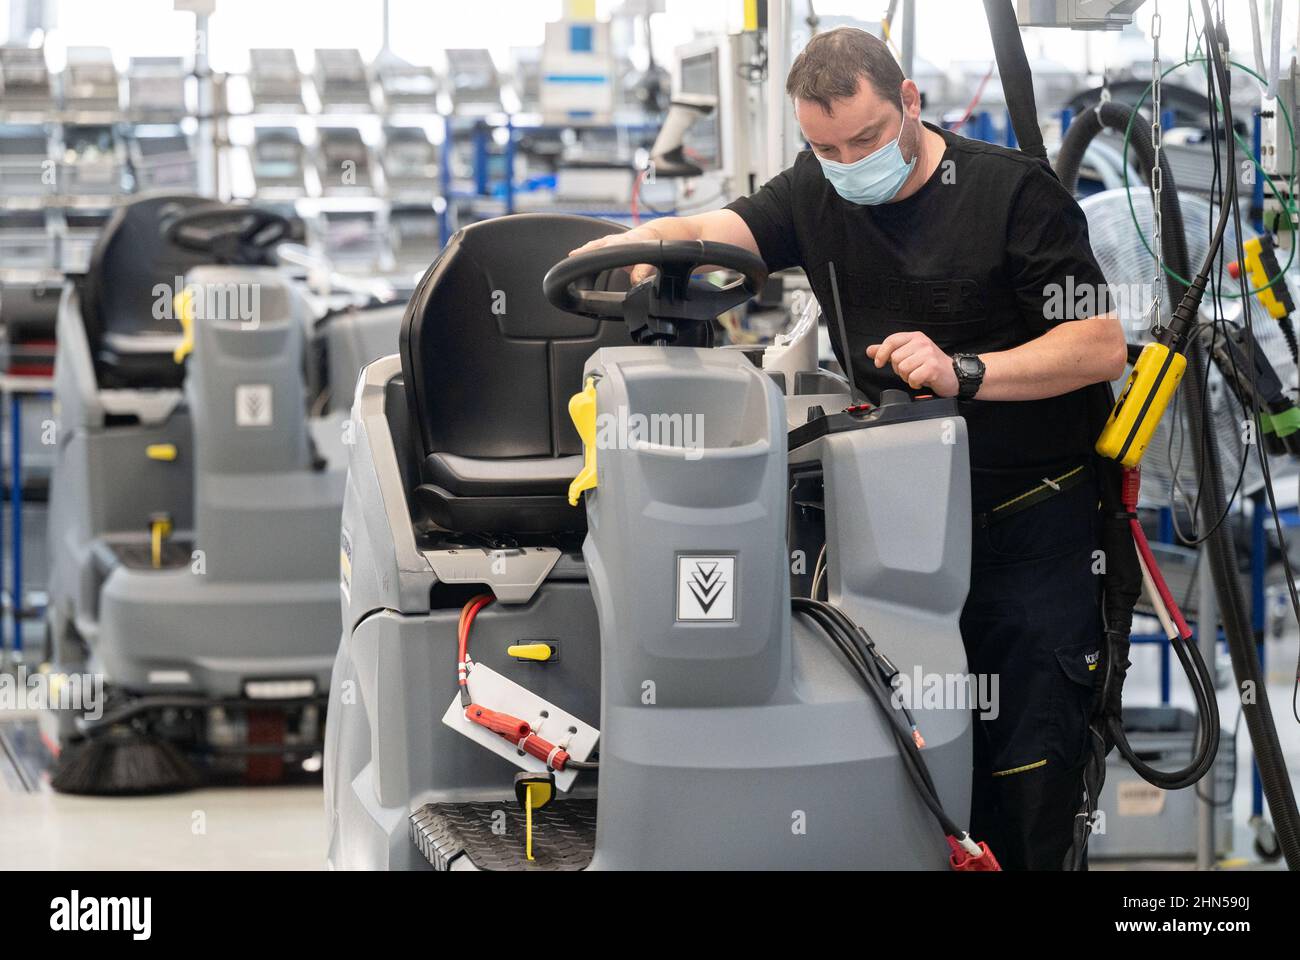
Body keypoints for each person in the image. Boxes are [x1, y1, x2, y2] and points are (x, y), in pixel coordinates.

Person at [571, 26, 1127, 869]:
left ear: (909, 102)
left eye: (865, 139)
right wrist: (642, 246)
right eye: (824, 146)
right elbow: (728, 230)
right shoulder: (816, 188)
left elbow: (1098, 345)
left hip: (1026, 530)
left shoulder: (1012, 195)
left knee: (1026, 779)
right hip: (894, 534)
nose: (847, 160)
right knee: (910, 773)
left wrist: (963, 369)